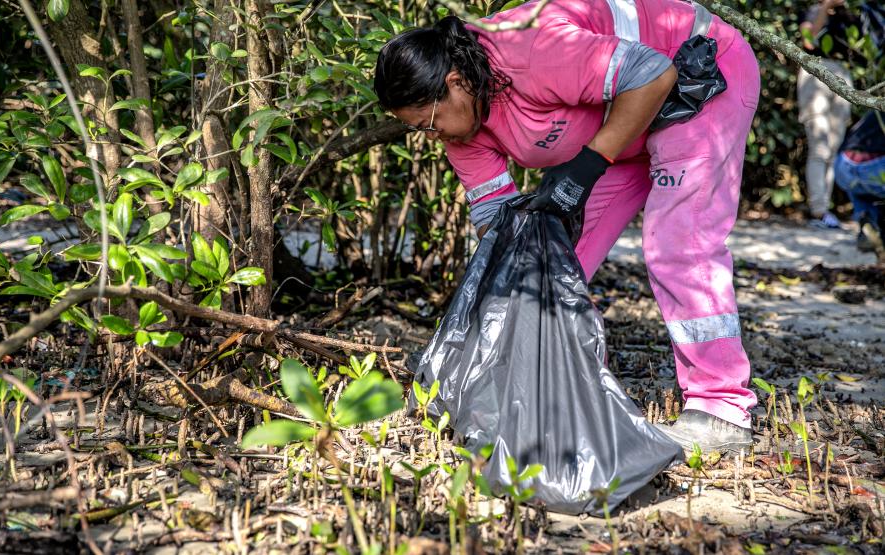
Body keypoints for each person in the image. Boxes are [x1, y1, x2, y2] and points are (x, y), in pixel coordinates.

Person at [375, 0, 760, 453]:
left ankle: (722, 410)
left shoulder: (530, 48)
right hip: (627, 126)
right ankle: (550, 395)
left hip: (700, 77)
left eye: (429, 123)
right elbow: (500, 232)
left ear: (454, 83)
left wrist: (585, 168)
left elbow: (654, 74)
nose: (433, 137)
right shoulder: (463, 133)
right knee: (551, 261)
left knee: (678, 244)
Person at [798, 0, 862, 229]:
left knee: (833, 149)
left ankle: (825, 209)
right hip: (816, 71)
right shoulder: (813, 11)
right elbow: (808, 40)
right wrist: (825, 8)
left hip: (843, 73)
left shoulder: (850, 17)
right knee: (820, 147)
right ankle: (819, 211)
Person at [834, 110, 885, 260]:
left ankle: (867, 219)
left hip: (842, 166)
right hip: (872, 169)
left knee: (863, 189)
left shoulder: (876, 107)